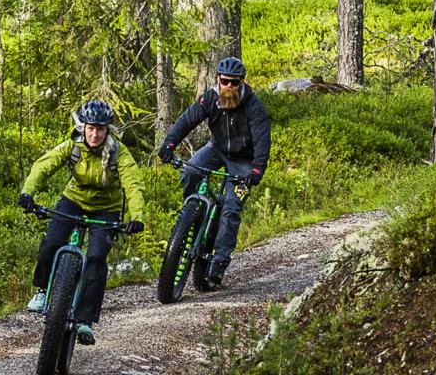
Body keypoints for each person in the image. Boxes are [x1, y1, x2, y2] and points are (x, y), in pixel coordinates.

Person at [19, 99, 146, 345]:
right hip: (73, 199)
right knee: (51, 242)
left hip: (105, 209)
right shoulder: (73, 146)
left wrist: (136, 216)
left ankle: (86, 321)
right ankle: (42, 290)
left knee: (97, 259)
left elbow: (133, 183)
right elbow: (44, 166)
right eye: (90, 128)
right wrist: (28, 193)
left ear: (107, 130)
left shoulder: (118, 152)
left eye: (100, 129)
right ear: (82, 127)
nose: (95, 134)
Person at [157, 55, 272, 287]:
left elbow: (262, 138)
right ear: (217, 79)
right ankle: (192, 213)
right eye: (225, 81)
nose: (229, 86)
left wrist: (257, 169)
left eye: (234, 82)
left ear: (242, 82)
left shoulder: (253, 105)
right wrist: (169, 144)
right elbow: (186, 120)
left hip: (244, 160)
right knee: (190, 171)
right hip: (216, 150)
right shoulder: (210, 98)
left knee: (231, 208)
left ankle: (219, 262)